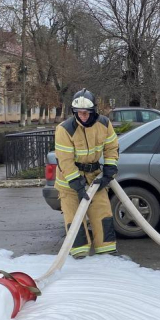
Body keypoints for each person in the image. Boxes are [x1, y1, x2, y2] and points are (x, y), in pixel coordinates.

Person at [54, 89, 119, 259]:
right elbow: (65, 160)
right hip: (69, 183)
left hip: (95, 178)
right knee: (74, 220)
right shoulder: (65, 129)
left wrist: (109, 171)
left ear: (93, 111)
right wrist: (76, 183)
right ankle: (80, 257)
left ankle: (107, 254)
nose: (82, 116)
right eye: (78, 112)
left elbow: (111, 148)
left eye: (86, 112)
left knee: (102, 214)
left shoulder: (104, 124)